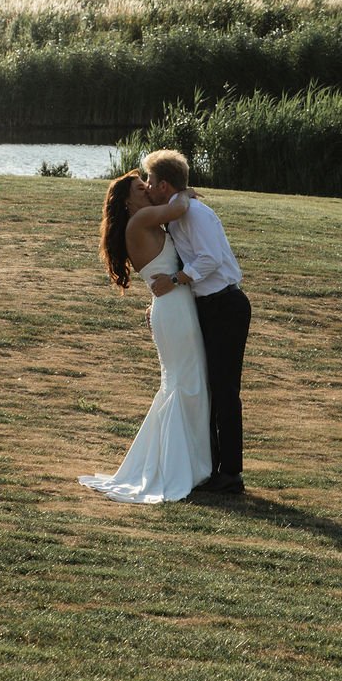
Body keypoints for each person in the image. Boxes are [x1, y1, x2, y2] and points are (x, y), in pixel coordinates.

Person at [79, 172, 211, 503]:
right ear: (128, 200)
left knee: (182, 381)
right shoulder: (140, 219)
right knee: (185, 382)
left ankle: (185, 461)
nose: (148, 191)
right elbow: (178, 206)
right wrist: (186, 191)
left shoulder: (142, 222)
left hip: (172, 307)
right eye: (142, 188)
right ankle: (183, 466)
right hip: (174, 310)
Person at [140, 149, 250, 494]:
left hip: (225, 305)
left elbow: (210, 259)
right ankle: (210, 467)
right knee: (209, 386)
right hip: (207, 306)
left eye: (150, 181)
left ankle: (230, 473)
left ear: (164, 185)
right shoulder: (176, 214)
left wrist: (174, 282)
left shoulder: (195, 215)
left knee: (224, 389)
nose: (146, 187)